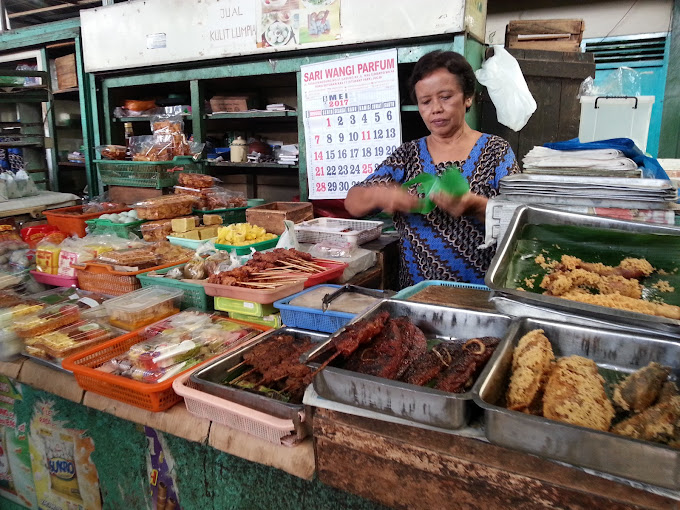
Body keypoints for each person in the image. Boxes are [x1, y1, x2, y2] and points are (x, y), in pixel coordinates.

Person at [344, 50, 520, 289]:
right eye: (425, 101)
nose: (435, 108)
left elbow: (521, 221)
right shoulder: (407, 155)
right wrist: (382, 194)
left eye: (446, 97)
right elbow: (353, 202)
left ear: (468, 97)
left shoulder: (496, 151)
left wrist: (477, 206)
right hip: (417, 294)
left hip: (481, 295)